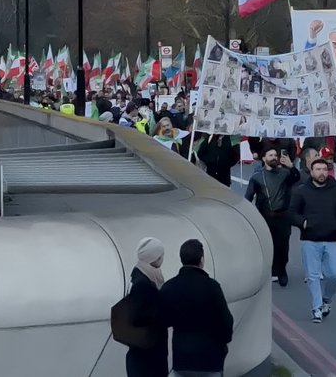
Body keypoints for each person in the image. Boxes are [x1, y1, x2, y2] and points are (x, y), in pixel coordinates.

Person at [159, 239, 233, 377]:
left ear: (181, 259)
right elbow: (226, 320)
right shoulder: (212, 287)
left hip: (182, 358)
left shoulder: (169, 287)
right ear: (201, 259)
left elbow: (163, 320)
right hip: (210, 357)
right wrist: (224, 342)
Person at [289, 157, 336, 323]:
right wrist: (304, 222)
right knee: (313, 276)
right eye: (318, 169)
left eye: (324, 169)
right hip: (310, 239)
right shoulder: (301, 190)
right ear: (311, 171)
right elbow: (292, 213)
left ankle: (326, 300)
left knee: (335, 275)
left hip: (332, 239)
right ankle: (316, 308)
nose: (321, 172)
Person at [243, 146, 299, 286]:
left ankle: (281, 270)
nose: (274, 157)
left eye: (275, 155)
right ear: (264, 158)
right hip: (266, 216)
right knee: (268, 245)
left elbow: (297, 178)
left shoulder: (284, 173)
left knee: (283, 247)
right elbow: (248, 197)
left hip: (283, 216)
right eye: (271, 155)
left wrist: (291, 167)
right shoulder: (257, 177)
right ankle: (269, 270)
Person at [125, 237, 168, 377]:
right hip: (147, 358)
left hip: (143, 355)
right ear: (154, 258)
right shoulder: (143, 285)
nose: (162, 259)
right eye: (161, 256)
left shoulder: (139, 278)